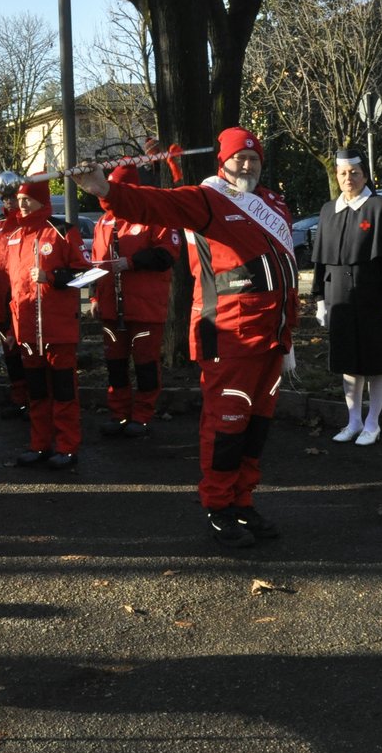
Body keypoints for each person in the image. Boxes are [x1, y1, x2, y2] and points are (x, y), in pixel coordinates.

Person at [70, 127, 297, 548]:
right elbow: (156, 204)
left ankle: (243, 501)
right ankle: (219, 506)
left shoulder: (272, 202)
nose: (246, 165)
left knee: (256, 427)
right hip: (228, 332)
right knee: (226, 425)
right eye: (238, 159)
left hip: (272, 334)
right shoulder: (208, 199)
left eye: (253, 159)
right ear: (222, 162)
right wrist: (106, 191)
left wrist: (289, 333)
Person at [0, 176, 90, 470]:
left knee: (64, 391)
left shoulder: (62, 231)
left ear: (43, 201)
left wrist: (53, 277)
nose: (23, 206)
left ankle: (67, 447)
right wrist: (7, 327)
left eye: (28, 200)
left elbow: (84, 273)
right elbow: (2, 284)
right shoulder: (13, 236)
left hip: (57, 328)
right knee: (37, 393)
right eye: (19, 201)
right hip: (27, 329)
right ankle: (39, 444)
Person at [310, 151, 382, 446]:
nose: (348, 179)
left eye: (354, 172)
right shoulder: (329, 209)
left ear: (365, 175)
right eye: (342, 173)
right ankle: (353, 420)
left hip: (374, 296)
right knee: (348, 361)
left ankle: (373, 422)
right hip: (339, 297)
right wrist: (319, 299)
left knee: (377, 360)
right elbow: (320, 261)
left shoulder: (381, 207)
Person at [91, 164, 178, 437]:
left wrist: (130, 262)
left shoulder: (155, 215)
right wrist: (95, 296)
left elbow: (167, 255)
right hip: (110, 307)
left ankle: (142, 416)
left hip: (145, 307)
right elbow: (97, 261)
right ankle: (119, 415)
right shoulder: (104, 221)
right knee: (115, 364)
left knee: (145, 364)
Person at [0, 174, 30, 420]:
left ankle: (37, 400)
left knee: (28, 353)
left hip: (23, 299)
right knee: (10, 354)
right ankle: (19, 399)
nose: (10, 202)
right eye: (6, 198)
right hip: (1, 300)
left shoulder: (27, 226)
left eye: (14, 197)